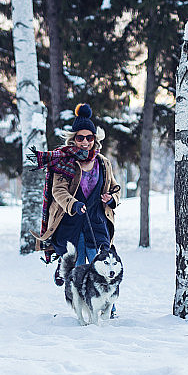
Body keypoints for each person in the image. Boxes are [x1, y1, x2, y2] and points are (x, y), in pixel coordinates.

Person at [30, 103, 121, 287]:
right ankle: (80, 301)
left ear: (95, 139)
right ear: (74, 138)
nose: (85, 142)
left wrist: (112, 199)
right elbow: (59, 190)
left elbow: (115, 187)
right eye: (80, 137)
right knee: (79, 267)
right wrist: (73, 204)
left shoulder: (103, 163)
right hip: (72, 221)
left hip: (97, 221)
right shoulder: (64, 161)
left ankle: (107, 309)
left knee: (101, 265)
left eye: (89, 137)